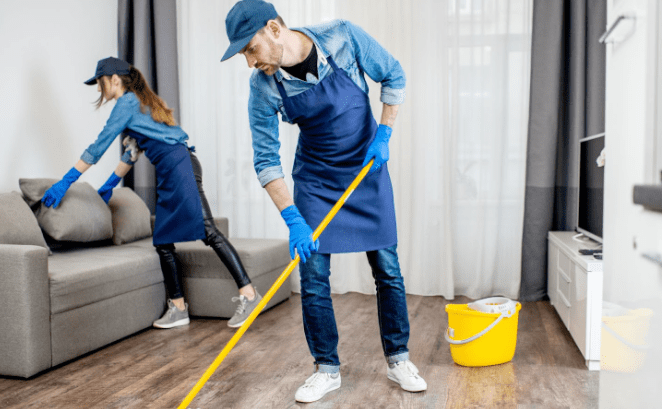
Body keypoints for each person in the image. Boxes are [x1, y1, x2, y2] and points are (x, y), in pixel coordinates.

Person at [221, 0, 427, 403]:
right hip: (316, 180)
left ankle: (398, 358)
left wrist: (384, 133)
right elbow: (266, 160)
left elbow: (393, 73)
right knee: (313, 275)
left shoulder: (342, 38)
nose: (249, 62)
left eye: (250, 49)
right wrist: (293, 218)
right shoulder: (263, 86)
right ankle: (326, 368)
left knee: (387, 267)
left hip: (366, 169)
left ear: (274, 29)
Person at [41, 56, 263, 329]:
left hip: (179, 167)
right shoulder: (139, 104)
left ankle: (249, 295)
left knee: (208, 230)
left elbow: (98, 147)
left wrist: (65, 181)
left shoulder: (127, 103)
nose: (98, 89)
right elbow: (131, 154)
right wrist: (109, 185)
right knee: (163, 241)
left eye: (100, 82)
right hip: (173, 169)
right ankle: (178, 308)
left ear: (114, 79)